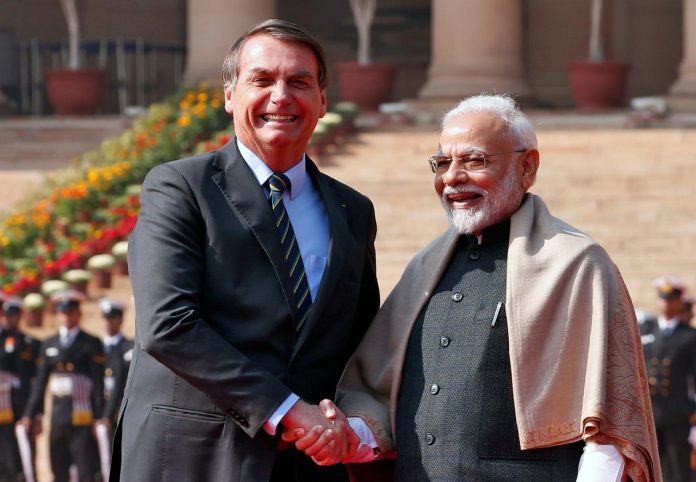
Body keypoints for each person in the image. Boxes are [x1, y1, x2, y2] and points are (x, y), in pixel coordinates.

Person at [290, 94, 661, 481]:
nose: (452, 177)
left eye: (474, 160)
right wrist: (349, 433)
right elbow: (382, 395)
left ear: (527, 167)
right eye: (442, 163)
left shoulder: (576, 263)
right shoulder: (425, 268)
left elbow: (607, 434)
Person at [109, 18, 380, 482]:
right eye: (262, 80)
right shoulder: (181, 187)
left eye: (299, 82)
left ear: (322, 100)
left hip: (308, 465)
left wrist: (352, 425)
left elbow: (361, 344)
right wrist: (291, 412)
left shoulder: (352, 210)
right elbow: (168, 325)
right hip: (193, 459)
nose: (281, 96)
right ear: (230, 95)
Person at [18, 289, 105, 482]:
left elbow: (98, 383)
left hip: (82, 416)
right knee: (58, 467)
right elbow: (40, 384)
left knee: (85, 469)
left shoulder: (90, 342)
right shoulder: (49, 343)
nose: (66, 316)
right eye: (62, 312)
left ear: (78, 313)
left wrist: (99, 416)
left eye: (70, 311)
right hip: (58, 416)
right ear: (57, 314)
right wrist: (30, 414)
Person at [640, 277, 696, 482]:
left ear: (679, 302)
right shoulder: (648, 331)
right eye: (663, 299)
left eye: (671, 299)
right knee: (654, 467)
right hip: (651, 412)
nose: (666, 303)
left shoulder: (689, 336)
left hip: (677, 412)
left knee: (678, 468)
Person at [0, 295, 39, 482]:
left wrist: (35, 414)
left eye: (12, 315)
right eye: (5, 314)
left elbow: (34, 382)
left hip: (19, 408)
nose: (8, 318)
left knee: (21, 457)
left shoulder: (28, 342)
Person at [98, 298, 132, 425]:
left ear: (121, 319)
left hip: (121, 410)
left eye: (112, 318)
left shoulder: (129, 347)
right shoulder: (97, 347)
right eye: (105, 318)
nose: (108, 322)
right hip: (100, 410)